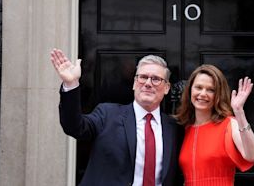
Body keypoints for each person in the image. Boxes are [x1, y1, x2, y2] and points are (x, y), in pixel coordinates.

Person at [50, 48, 183, 186]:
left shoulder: (174, 128)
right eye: (143, 77)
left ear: (167, 87)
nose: (148, 83)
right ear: (134, 83)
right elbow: (75, 127)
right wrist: (71, 84)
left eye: (156, 79)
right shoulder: (107, 115)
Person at [175, 64, 254, 186]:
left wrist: (239, 112)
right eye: (198, 87)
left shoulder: (229, 124)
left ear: (218, 95)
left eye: (211, 90)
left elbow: (253, 155)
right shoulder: (185, 128)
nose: (203, 93)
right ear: (190, 90)